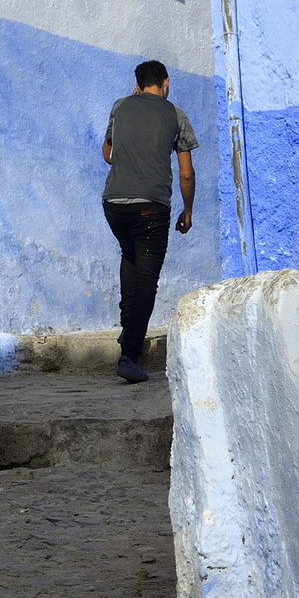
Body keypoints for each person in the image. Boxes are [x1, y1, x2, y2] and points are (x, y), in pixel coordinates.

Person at [100, 60, 198, 383]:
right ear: (166, 82)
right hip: (152, 209)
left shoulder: (119, 107)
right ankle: (129, 353)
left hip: (114, 205)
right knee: (147, 279)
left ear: (138, 84)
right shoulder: (176, 115)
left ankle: (127, 330)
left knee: (130, 256)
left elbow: (108, 154)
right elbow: (185, 172)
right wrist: (188, 210)